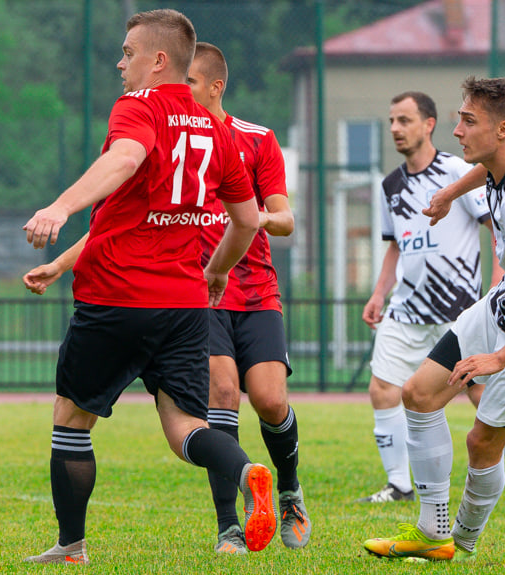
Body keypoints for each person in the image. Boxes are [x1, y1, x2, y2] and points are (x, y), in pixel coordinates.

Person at [20, 10, 278, 564]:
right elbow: (248, 221)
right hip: (185, 304)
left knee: (71, 417)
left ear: (158, 60)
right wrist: (217, 272)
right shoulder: (216, 128)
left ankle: (71, 546)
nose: (120, 63)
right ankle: (246, 469)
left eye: (128, 51)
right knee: (185, 427)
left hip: (116, 297)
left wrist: (60, 206)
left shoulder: (140, 106)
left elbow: (125, 157)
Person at [363, 76, 505, 562]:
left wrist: (499, 358)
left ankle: (460, 543)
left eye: (468, 122)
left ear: (503, 128)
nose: (457, 131)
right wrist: (450, 193)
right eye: (459, 118)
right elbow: (487, 172)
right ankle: (432, 532)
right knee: (418, 393)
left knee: (481, 441)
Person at [357, 91, 505, 505]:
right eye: (391, 121)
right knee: (383, 389)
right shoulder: (390, 185)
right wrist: (378, 293)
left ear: (429, 125)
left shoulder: (458, 171)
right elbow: (395, 245)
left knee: (484, 392)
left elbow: (494, 228)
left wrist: (499, 285)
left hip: (458, 310)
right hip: (406, 309)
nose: (395, 129)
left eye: (404, 120)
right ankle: (399, 484)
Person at [186, 42, 311, 555]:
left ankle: (289, 491)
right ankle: (228, 528)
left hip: (256, 290)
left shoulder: (256, 140)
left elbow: (285, 219)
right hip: (200, 294)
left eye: (190, 82)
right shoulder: (170, 142)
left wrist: (250, 217)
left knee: (270, 399)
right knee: (221, 393)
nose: (182, 91)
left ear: (216, 86)